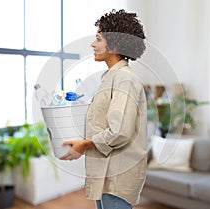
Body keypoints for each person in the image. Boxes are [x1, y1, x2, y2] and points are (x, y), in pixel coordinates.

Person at [60, 9, 148, 209]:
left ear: (115, 43)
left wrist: (86, 143)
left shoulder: (124, 79)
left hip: (118, 176)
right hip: (107, 173)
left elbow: (120, 131)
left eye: (98, 39)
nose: (93, 44)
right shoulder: (110, 78)